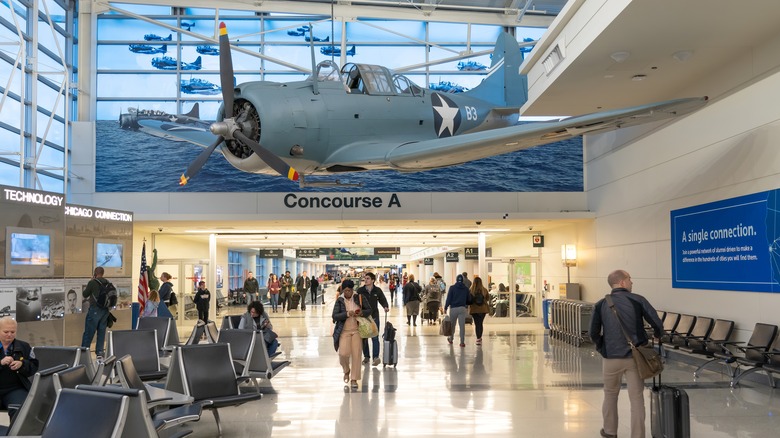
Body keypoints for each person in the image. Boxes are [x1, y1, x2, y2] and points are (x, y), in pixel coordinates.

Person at [589, 270, 665, 438]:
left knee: (610, 394)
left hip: (611, 358)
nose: (632, 282)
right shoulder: (638, 300)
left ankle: (609, 432)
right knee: (636, 398)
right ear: (622, 282)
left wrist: (603, 347)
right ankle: (637, 435)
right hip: (635, 358)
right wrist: (658, 335)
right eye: (630, 279)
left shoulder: (601, 304)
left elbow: (593, 333)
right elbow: (657, 323)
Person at [332, 279, 371, 389]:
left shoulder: (359, 297)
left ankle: (354, 379)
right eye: (345, 290)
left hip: (357, 331)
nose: (347, 293)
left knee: (357, 354)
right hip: (344, 331)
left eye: (349, 290)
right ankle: (346, 370)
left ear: (352, 289)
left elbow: (369, 310)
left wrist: (361, 313)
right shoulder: (340, 300)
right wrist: (347, 314)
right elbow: (334, 316)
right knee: (343, 354)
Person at [0, 317, 39, 421]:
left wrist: (22, 364)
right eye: (6, 332)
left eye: (12, 332)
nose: (9, 334)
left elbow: (34, 365)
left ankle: (15, 435)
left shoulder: (24, 346)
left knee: (21, 409)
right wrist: (0, 363)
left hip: (15, 389)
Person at [357, 272, 389, 366]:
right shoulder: (360, 290)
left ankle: (376, 357)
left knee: (375, 337)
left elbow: (382, 299)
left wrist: (385, 306)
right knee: (364, 338)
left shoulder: (377, 290)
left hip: (374, 317)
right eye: (365, 278)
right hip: (363, 318)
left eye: (367, 278)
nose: (365, 280)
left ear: (372, 280)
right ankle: (366, 357)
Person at [81, 266, 112, 357]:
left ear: (95, 273)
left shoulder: (92, 283)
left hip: (95, 310)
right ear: (103, 273)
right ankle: (99, 352)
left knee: (89, 332)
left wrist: (90, 282)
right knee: (101, 331)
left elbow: (85, 294)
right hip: (105, 311)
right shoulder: (107, 282)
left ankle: (84, 352)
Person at [444, 274, 470, 347]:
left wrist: (445, 307)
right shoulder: (466, 289)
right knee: (462, 326)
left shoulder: (452, 288)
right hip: (462, 308)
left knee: (452, 325)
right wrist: (466, 306)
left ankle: (451, 339)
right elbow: (468, 299)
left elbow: (449, 298)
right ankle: (462, 342)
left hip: (453, 309)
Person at [468, 276, 489, 345]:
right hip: (483, 309)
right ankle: (479, 337)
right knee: (480, 323)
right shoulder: (484, 290)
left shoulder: (471, 290)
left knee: (477, 324)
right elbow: (488, 298)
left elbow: (468, 300)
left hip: (474, 309)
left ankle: (478, 338)